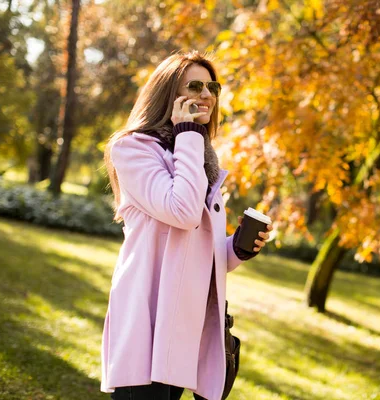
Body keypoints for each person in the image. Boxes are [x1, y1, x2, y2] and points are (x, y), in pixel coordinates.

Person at [100, 50, 273, 400]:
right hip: (147, 321)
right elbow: (181, 212)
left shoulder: (199, 161)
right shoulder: (133, 148)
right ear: (168, 94)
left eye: (212, 86)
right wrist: (189, 135)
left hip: (184, 329)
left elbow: (195, 253)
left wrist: (236, 248)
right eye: (194, 86)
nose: (206, 94)